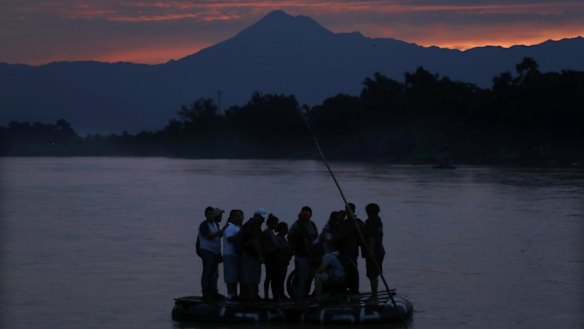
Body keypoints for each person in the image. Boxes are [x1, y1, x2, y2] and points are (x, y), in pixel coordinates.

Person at [288, 206, 318, 303]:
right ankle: (300, 298)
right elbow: (291, 237)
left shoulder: (312, 224)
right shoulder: (297, 226)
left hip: (312, 255)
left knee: (310, 277)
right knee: (302, 277)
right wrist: (294, 248)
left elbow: (316, 238)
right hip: (302, 256)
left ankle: (305, 295)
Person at [197, 207, 226, 301]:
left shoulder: (215, 224)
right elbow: (209, 236)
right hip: (206, 251)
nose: (211, 216)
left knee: (215, 273)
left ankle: (214, 292)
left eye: (212, 214)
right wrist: (222, 231)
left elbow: (218, 238)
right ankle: (206, 293)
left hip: (215, 252)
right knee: (207, 272)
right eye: (209, 214)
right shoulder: (203, 225)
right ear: (205, 215)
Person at [335, 203, 364, 294]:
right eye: (346, 210)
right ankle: (344, 288)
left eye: (348, 210)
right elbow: (338, 234)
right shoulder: (345, 222)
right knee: (344, 270)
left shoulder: (356, 222)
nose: (346, 212)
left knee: (353, 270)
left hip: (352, 251)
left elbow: (342, 235)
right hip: (343, 251)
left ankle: (354, 289)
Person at [240, 208, 267, 302]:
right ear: (256, 216)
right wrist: (260, 256)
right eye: (261, 218)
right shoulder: (254, 225)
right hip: (249, 255)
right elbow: (255, 241)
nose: (263, 220)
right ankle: (251, 297)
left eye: (263, 218)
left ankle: (253, 295)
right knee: (250, 277)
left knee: (253, 276)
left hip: (250, 254)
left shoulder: (252, 224)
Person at [363, 203, 385, 305]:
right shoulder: (378, 221)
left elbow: (372, 237)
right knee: (373, 274)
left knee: (373, 274)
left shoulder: (371, 222)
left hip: (375, 251)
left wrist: (370, 251)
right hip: (380, 250)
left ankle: (375, 297)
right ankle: (373, 295)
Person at [223, 209, 244, 300]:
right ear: (232, 217)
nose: (241, 218)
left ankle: (235, 294)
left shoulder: (238, 227)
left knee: (235, 276)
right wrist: (240, 236)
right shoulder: (230, 227)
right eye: (239, 216)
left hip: (236, 254)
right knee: (230, 276)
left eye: (242, 216)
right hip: (229, 254)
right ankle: (231, 294)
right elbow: (229, 239)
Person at [261, 214, 280, 300]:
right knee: (271, 276)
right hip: (270, 256)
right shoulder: (268, 233)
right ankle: (271, 295)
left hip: (270, 255)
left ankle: (269, 295)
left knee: (271, 276)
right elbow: (275, 245)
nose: (276, 226)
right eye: (276, 224)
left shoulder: (268, 232)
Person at [273, 222, 293, 301]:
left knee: (281, 279)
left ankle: (280, 294)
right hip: (279, 262)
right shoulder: (278, 239)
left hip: (283, 262)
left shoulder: (282, 238)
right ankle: (279, 295)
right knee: (279, 279)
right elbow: (284, 249)